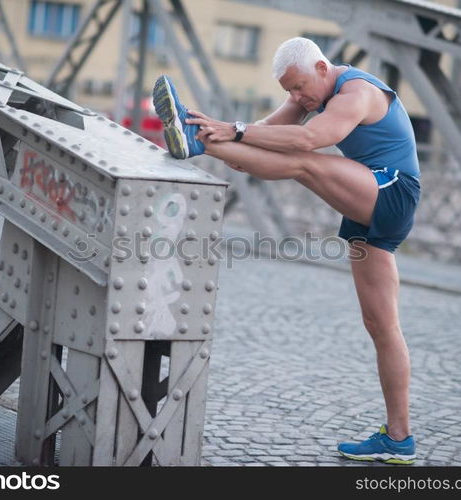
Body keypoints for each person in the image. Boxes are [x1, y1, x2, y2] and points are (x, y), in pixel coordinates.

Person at [152, 37, 420, 465]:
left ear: (320, 67)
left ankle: (195, 140)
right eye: (289, 92)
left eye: (298, 88)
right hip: (369, 201)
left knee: (304, 161)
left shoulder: (357, 92)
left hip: (392, 190)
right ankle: (399, 438)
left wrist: (232, 131)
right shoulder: (310, 91)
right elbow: (257, 146)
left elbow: (309, 140)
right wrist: (228, 133)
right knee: (381, 326)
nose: (296, 98)